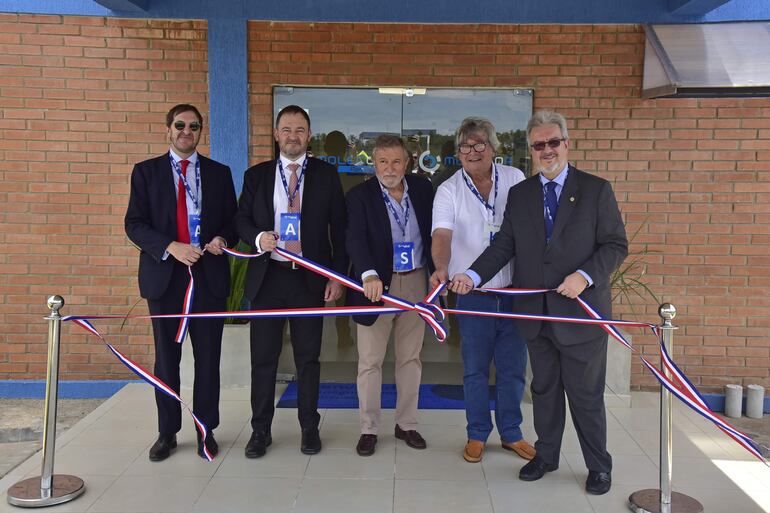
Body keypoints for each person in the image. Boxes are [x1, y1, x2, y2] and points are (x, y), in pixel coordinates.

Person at [450, 110, 628, 495]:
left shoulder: (597, 190)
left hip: (580, 315)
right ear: (531, 150)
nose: (547, 150)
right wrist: (473, 275)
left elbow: (615, 244)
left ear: (566, 144)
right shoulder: (522, 194)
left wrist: (585, 276)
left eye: (553, 142)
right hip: (535, 315)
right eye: (539, 145)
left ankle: (598, 465)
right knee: (544, 391)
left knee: (585, 396)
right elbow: (505, 246)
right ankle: (546, 456)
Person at [125, 103, 238, 461]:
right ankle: (167, 432)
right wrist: (170, 247)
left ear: (200, 131)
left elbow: (233, 221)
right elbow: (134, 224)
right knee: (166, 360)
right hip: (165, 278)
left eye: (194, 126)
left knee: (208, 359)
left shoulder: (219, 173)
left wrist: (223, 238)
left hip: (208, 277)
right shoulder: (146, 172)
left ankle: (207, 430)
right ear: (168, 130)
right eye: (180, 125)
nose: (186, 131)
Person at [235, 105, 347, 458]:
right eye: (286, 129)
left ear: (309, 135)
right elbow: (240, 220)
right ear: (276, 134)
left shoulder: (327, 176)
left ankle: (309, 428)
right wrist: (257, 239)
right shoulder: (257, 175)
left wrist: (338, 277)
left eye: (300, 129)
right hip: (268, 278)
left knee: (308, 359)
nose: (293, 135)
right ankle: (260, 431)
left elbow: (340, 231)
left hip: (309, 281)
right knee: (263, 359)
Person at [429, 117, 535, 466]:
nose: (473, 152)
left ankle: (512, 433)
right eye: (465, 147)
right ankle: (476, 433)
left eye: (480, 145)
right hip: (472, 294)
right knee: (475, 369)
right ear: (458, 153)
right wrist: (441, 267)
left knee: (513, 368)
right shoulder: (448, 190)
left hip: (515, 292)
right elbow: (441, 236)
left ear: (493, 148)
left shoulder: (516, 179)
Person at [345, 134, 434, 456]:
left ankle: (406, 424)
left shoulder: (424, 190)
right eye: (383, 161)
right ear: (374, 163)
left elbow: (437, 233)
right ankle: (369, 428)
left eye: (396, 161)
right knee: (370, 362)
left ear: (408, 162)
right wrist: (367, 273)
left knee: (410, 358)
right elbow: (354, 238)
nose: (389, 168)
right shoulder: (359, 196)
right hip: (376, 286)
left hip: (416, 282)